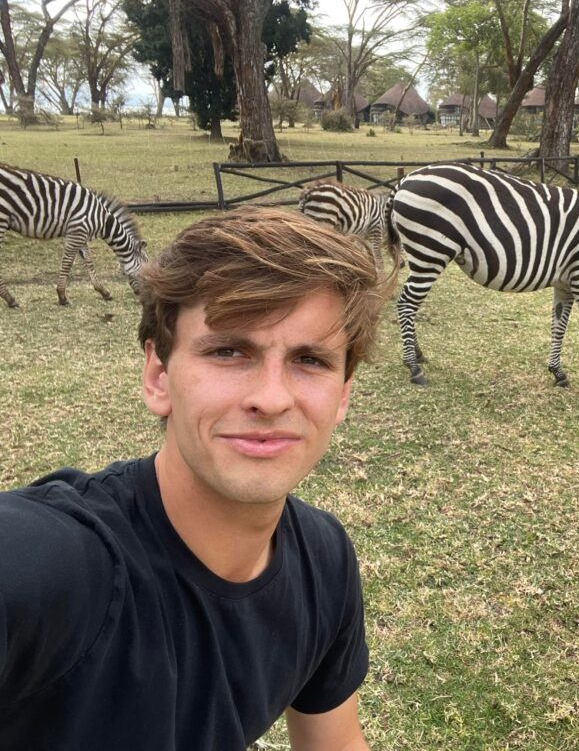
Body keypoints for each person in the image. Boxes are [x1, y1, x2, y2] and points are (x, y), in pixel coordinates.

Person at [0, 207, 394, 749]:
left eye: (310, 360)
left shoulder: (323, 560)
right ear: (159, 376)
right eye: (229, 351)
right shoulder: (57, 565)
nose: (273, 398)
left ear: (344, 394)